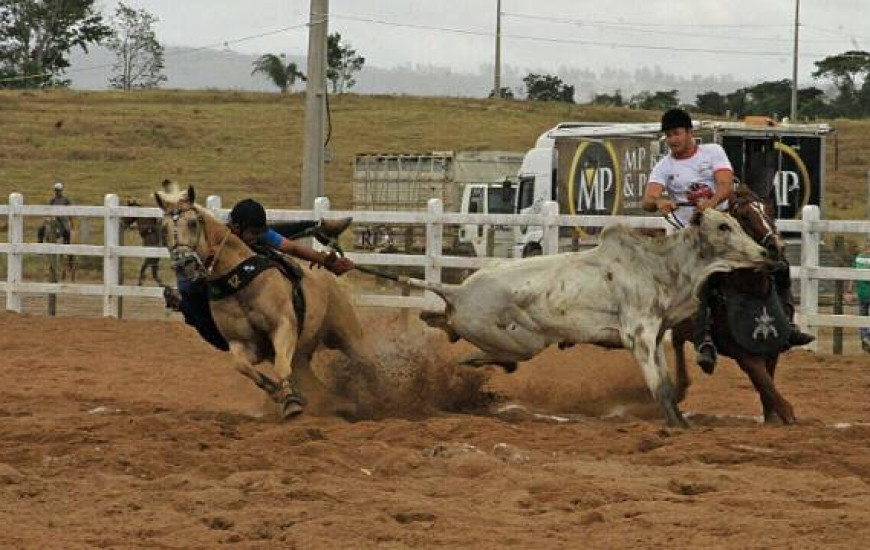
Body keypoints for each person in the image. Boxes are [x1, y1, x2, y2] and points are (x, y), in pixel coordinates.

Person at [642, 108, 813, 372]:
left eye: (676, 134)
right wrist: (658, 201)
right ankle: (705, 340)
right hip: (693, 237)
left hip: (727, 229)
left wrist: (708, 207)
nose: (672, 140)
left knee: (776, 262)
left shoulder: (712, 153)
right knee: (701, 283)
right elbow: (647, 199)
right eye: (668, 136)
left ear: (689, 133)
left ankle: (788, 324)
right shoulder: (664, 166)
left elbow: (725, 185)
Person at [168, 198, 354, 351]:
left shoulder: (256, 236)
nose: (256, 236)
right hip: (209, 300)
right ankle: (184, 305)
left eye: (259, 233)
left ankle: (317, 227)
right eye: (253, 233)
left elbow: (291, 247)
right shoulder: (216, 241)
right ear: (236, 228)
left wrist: (327, 261)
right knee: (195, 302)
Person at [849, 241, 870, 353]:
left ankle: (864, 337)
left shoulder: (858, 258)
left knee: (862, 315)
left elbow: (853, 275)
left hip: (861, 293)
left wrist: (849, 290)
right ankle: (868, 338)